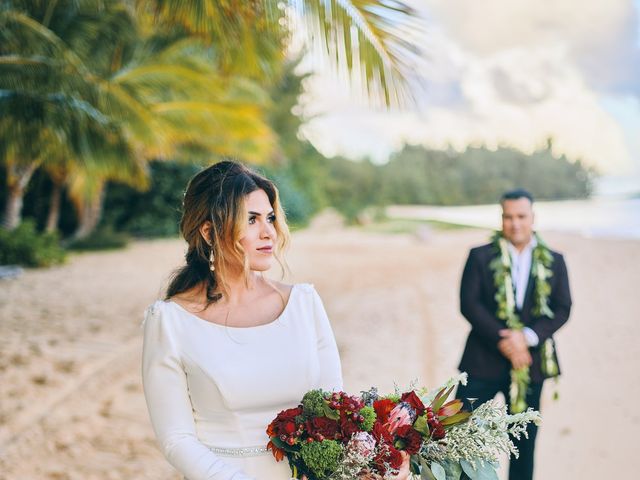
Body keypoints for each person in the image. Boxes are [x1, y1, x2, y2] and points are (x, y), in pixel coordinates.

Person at [141, 161, 410, 480]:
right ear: (209, 232)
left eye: (269, 217)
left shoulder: (304, 303)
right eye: (251, 220)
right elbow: (176, 440)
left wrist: (369, 464)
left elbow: (334, 410)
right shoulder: (170, 321)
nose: (269, 232)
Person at [455, 189, 572, 480]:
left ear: (533, 218)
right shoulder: (479, 256)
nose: (515, 223)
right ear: (501, 218)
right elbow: (469, 304)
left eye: (521, 216)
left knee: (524, 442)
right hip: (482, 360)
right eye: (508, 217)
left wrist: (527, 337)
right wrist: (504, 339)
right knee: (458, 431)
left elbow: (562, 308)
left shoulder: (554, 261)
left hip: (529, 364)